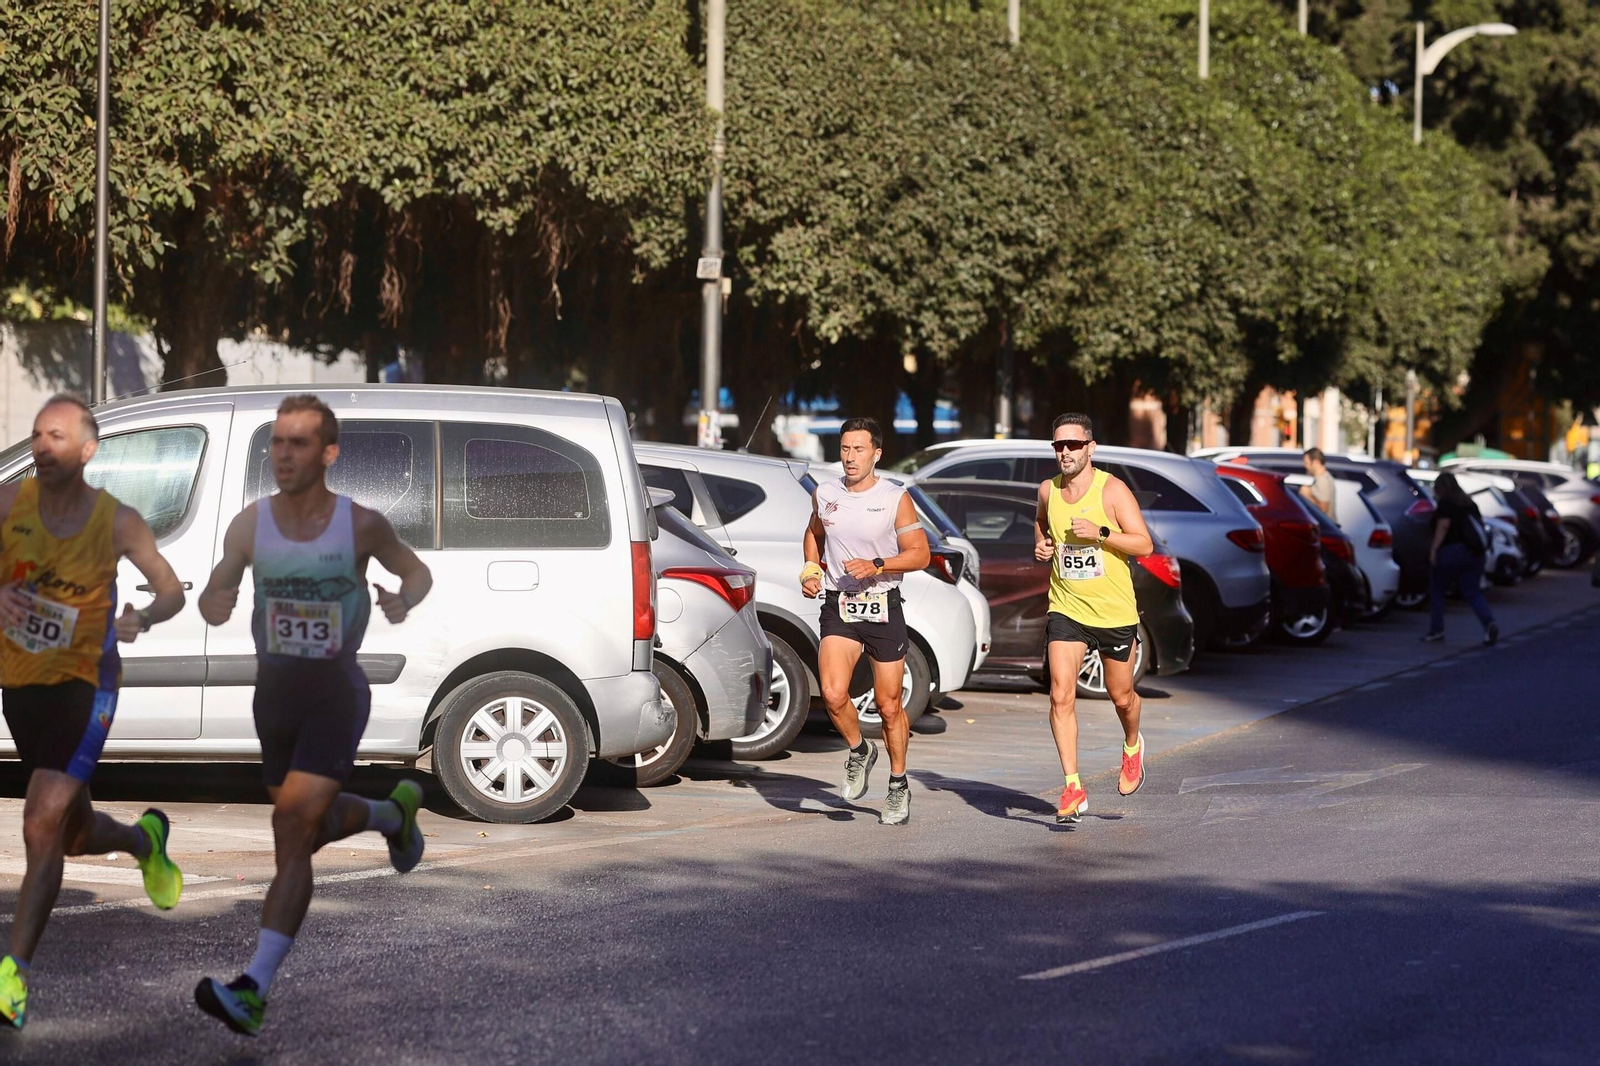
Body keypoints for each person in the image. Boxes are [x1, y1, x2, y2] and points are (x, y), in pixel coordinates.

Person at [193, 395, 433, 1037]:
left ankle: (253, 988)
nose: (284, 455)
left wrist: (402, 600)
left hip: (334, 693)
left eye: (299, 443)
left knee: (292, 826)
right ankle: (391, 813)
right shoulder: (249, 525)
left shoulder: (360, 525)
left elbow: (418, 573)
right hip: (274, 698)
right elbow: (219, 588)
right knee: (307, 826)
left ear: (328, 453)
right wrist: (215, 602)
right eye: (277, 443)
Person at [0, 395, 187, 1030]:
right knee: (72, 834)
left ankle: (12, 976)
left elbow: (170, 590)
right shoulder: (8, 506)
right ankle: (143, 840)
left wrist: (142, 616)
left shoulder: (117, 522)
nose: (43, 446)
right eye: (36, 435)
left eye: (57, 435)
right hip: (24, 690)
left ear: (87, 450)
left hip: (88, 688)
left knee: (41, 822)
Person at [800, 417, 929, 825]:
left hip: (882, 604)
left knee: (890, 706)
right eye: (844, 449)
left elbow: (920, 554)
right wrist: (810, 568)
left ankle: (898, 783)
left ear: (877, 453)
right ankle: (860, 751)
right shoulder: (825, 493)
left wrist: (878, 564)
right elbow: (813, 534)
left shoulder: (895, 498)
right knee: (833, 694)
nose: (850, 457)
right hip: (840, 604)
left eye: (859, 449)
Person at [1033, 413, 1154, 825]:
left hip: (1114, 611)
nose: (1065, 452)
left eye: (1073, 445)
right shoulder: (1047, 490)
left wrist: (1101, 532)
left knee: (1121, 697)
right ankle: (1072, 786)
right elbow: (1040, 525)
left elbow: (1144, 544)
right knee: (1060, 695)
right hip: (1066, 606)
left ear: (1090, 448)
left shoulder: (1113, 490)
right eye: (1058, 446)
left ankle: (1133, 745)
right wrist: (1042, 546)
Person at [1422, 471, 1497, 646]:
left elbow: (1443, 526)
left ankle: (1436, 629)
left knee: (1438, 589)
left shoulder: (1446, 504)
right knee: (1472, 591)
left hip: (1451, 551)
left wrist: (1434, 549)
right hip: (1475, 553)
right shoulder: (1470, 504)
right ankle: (1489, 623)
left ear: (1439, 488)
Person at [1299, 448, 1338, 525]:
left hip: (1325, 528)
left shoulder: (1322, 480)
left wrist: (1308, 496)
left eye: (1307, 463)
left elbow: (1323, 509)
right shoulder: (1325, 478)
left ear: (1316, 462)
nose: (1305, 466)